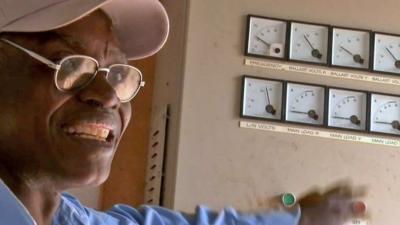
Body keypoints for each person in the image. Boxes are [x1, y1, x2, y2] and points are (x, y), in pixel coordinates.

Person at [0, 0, 366, 225]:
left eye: (118, 73)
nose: (108, 96)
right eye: (71, 65)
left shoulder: (64, 217)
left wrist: (295, 220)